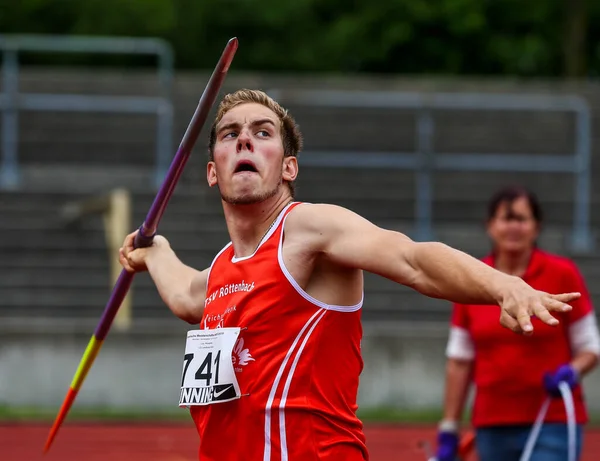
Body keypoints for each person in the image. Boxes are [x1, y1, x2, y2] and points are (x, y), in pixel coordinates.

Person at [119, 90, 581, 461]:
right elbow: (186, 296)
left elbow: (412, 259)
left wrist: (503, 285)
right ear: (211, 173)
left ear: (288, 167)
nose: (244, 140)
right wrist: (155, 252)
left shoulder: (308, 230)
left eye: (262, 133)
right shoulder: (222, 268)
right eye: (230, 134)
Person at [435, 186, 600, 461]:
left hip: (552, 418)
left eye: (521, 219)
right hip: (491, 423)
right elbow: (459, 360)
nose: (513, 227)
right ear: (490, 226)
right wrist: (449, 427)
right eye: (505, 218)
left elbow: (590, 347)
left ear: (536, 227)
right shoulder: (472, 279)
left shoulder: (563, 273)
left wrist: (572, 371)